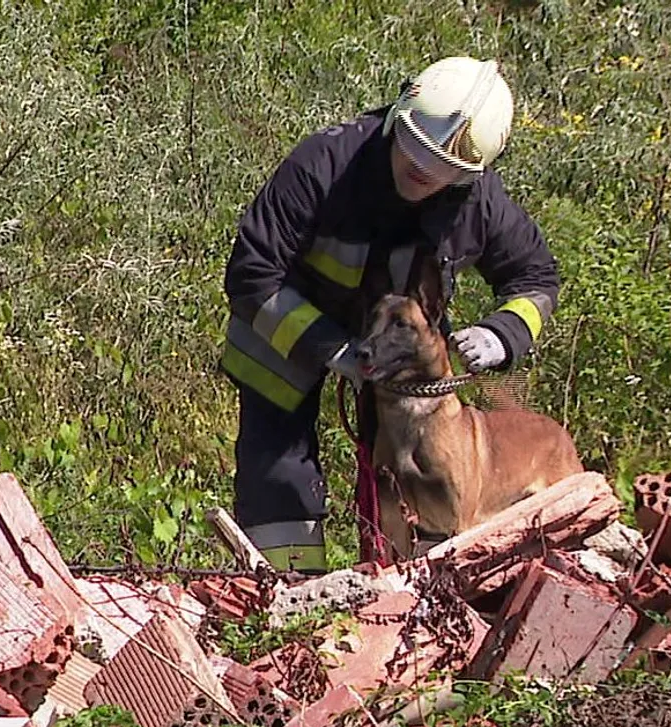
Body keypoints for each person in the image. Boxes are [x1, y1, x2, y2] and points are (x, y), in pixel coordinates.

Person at [219, 56, 561, 572]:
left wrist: (505, 331)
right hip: (286, 333)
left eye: (445, 168)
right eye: (415, 148)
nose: (423, 170)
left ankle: (400, 602)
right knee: (279, 477)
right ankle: (287, 604)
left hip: (401, 362)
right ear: (395, 118)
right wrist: (331, 348)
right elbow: (252, 273)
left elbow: (535, 279)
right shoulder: (326, 164)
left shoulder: (478, 201)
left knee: (402, 488)